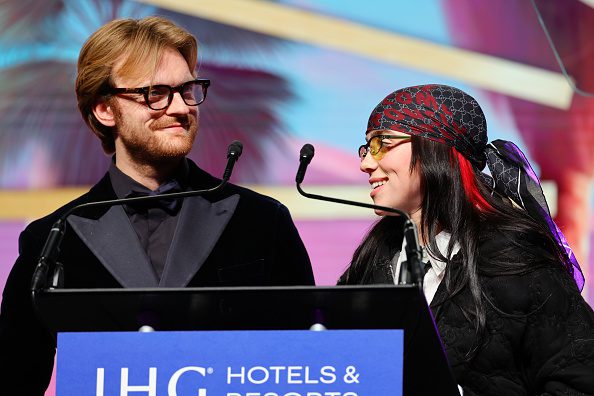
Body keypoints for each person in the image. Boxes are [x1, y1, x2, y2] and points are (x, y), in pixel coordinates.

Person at [0, 16, 314, 394]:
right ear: (104, 109)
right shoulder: (52, 239)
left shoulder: (262, 220)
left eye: (188, 90)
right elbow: (15, 378)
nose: (181, 108)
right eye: (156, 93)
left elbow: (307, 362)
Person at [339, 84, 594, 395]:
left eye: (381, 144)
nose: (366, 163)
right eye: (366, 148)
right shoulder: (373, 258)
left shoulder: (515, 260)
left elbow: (579, 381)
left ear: (435, 148)